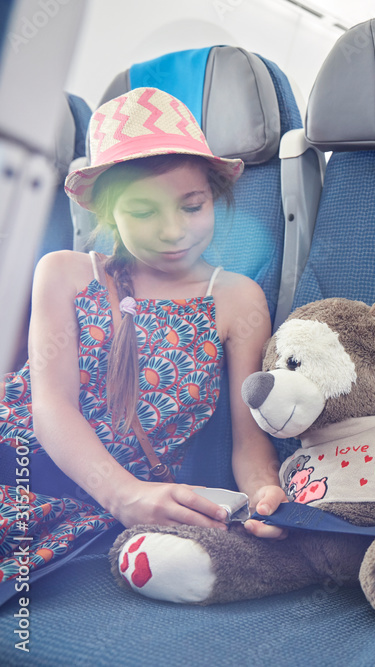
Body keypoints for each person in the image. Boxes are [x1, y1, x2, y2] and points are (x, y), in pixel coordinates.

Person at [0, 88, 287, 591]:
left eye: (191, 206)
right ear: (109, 215)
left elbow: (250, 445)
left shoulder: (237, 300)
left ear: (214, 198)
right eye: (142, 212)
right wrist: (123, 494)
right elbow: (52, 408)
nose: (173, 231)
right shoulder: (66, 273)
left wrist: (265, 495)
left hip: (101, 512)